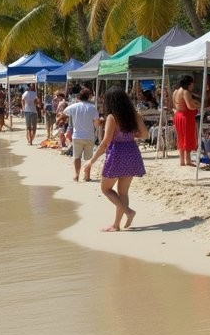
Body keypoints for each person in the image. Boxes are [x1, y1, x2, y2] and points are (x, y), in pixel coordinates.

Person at [84, 88, 148, 232]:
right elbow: (145, 134)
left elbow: (106, 142)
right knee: (123, 193)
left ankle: (128, 212)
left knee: (106, 189)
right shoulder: (134, 115)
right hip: (131, 152)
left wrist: (91, 161)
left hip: (117, 154)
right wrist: (129, 136)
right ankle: (116, 225)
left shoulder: (112, 117)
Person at [63, 89, 101, 181]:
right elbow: (97, 123)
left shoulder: (74, 106)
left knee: (77, 157)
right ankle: (87, 176)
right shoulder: (92, 108)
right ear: (89, 97)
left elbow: (65, 112)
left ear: (79, 96)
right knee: (89, 158)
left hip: (77, 136)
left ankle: (76, 175)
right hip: (89, 136)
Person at [172, 75, 200, 167]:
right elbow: (190, 106)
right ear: (189, 83)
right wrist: (199, 106)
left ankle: (182, 160)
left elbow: (175, 105)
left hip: (178, 115)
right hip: (186, 117)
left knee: (181, 137)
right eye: (192, 83)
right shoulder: (185, 92)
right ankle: (188, 160)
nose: (193, 85)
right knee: (188, 137)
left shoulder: (176, 91)